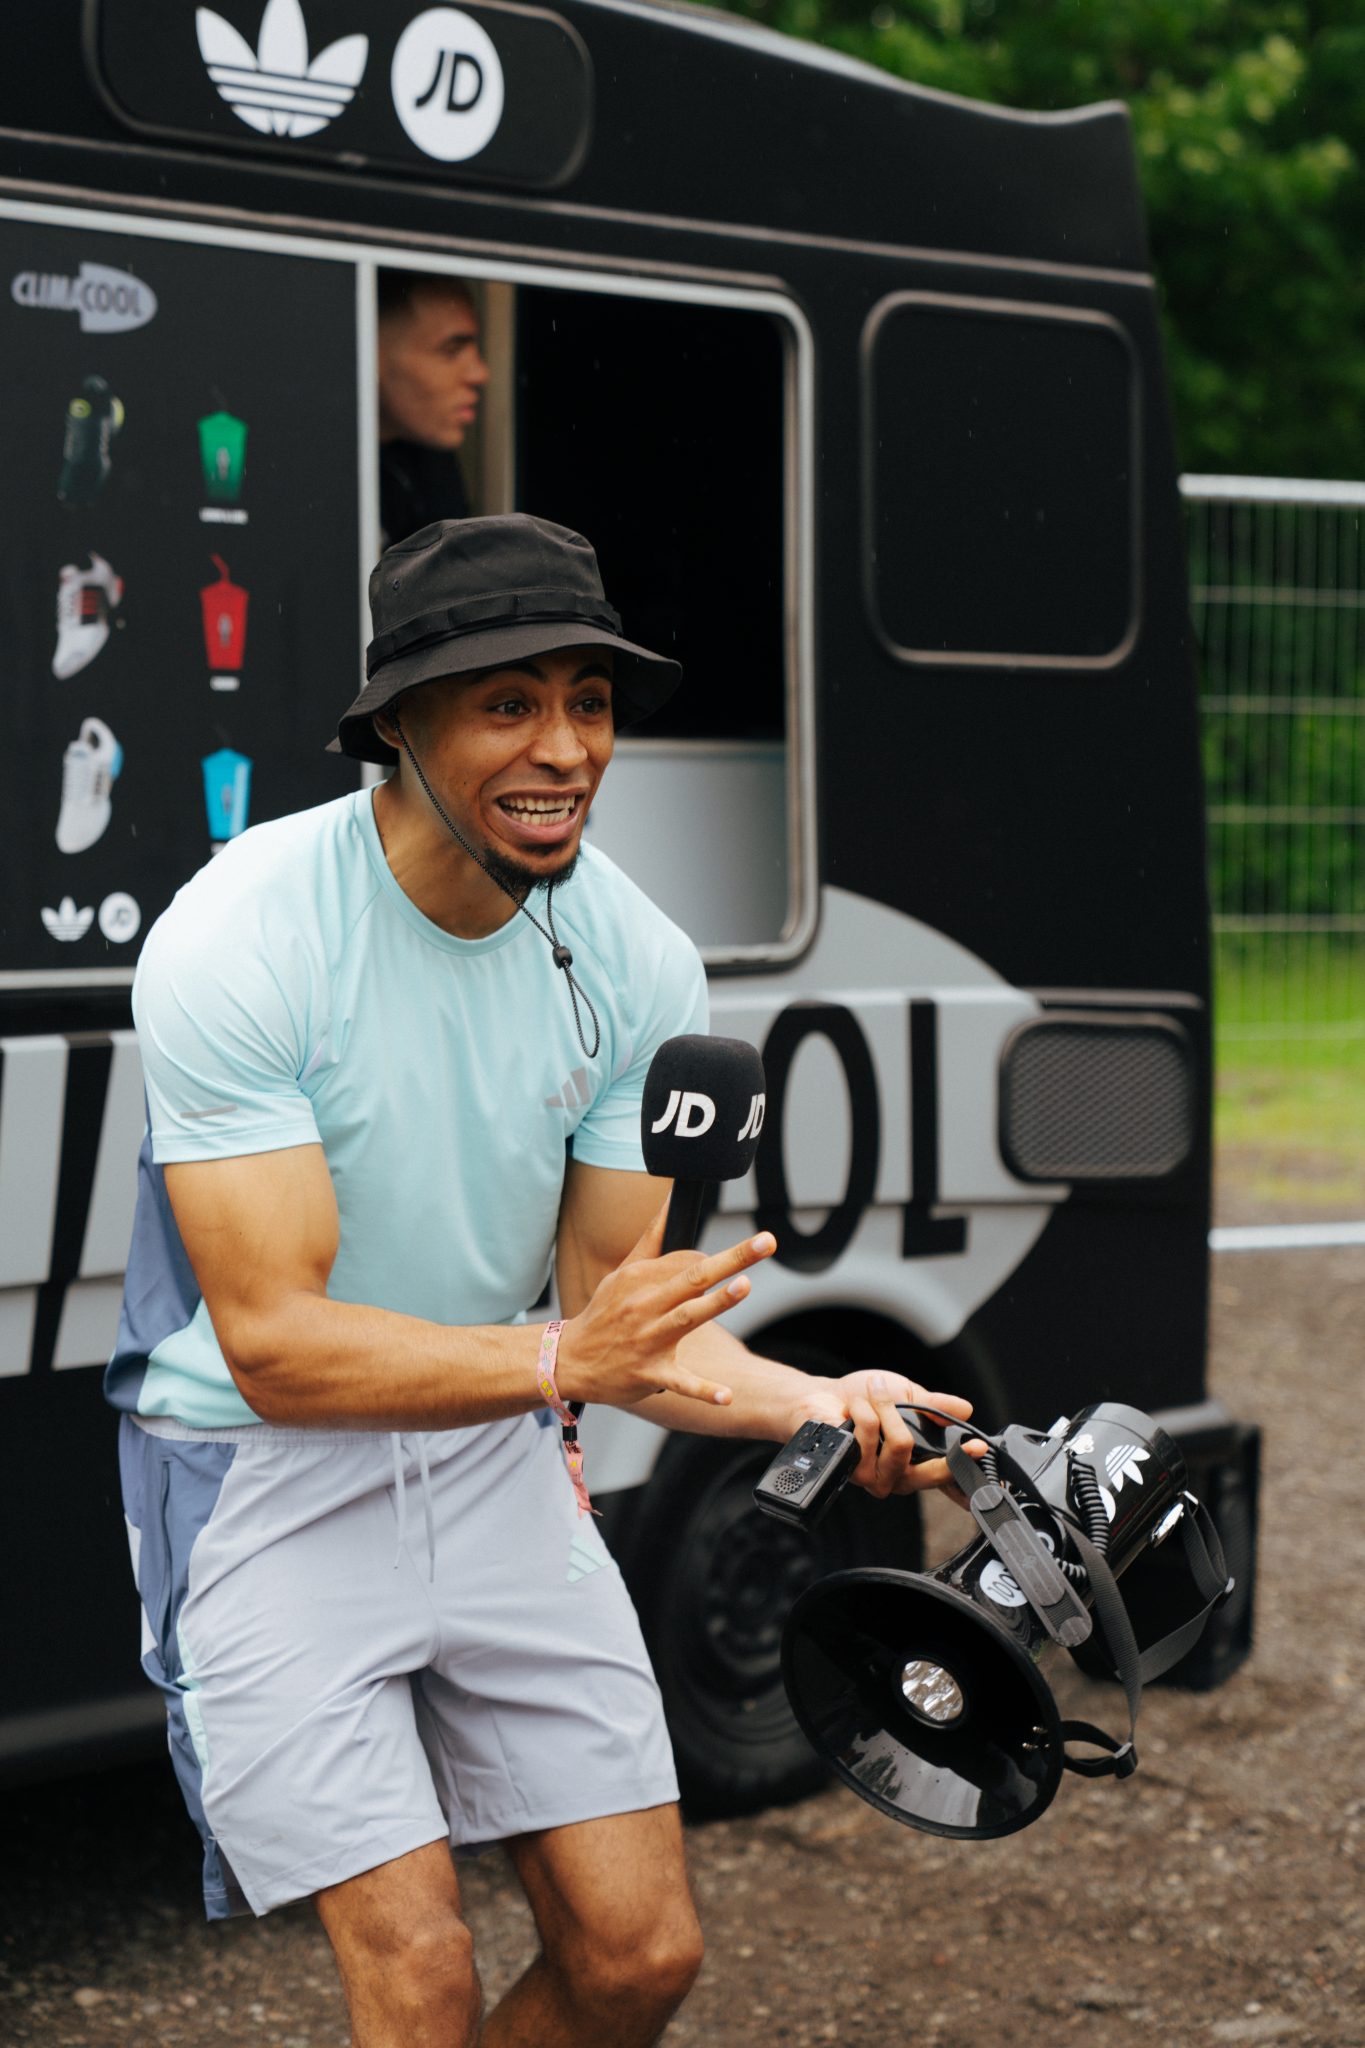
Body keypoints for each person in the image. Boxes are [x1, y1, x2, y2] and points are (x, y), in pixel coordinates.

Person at [108, 513, 979, 2048]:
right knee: (420, 1971)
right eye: (508, 703)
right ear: (398, 724)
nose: (565, 748)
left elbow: (616, 1326)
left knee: (639, 1957)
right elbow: (274, 1346)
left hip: (493, 1449)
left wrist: (823, 1400)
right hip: (259, 1473)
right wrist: (560, 1364)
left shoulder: (636, 960)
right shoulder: (241, 932)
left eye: (589, 700)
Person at [377, 270, 490, 545]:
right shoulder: (313, 473)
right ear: (372, 354)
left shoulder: (432, 467)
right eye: (451, 350)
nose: (480, 374)